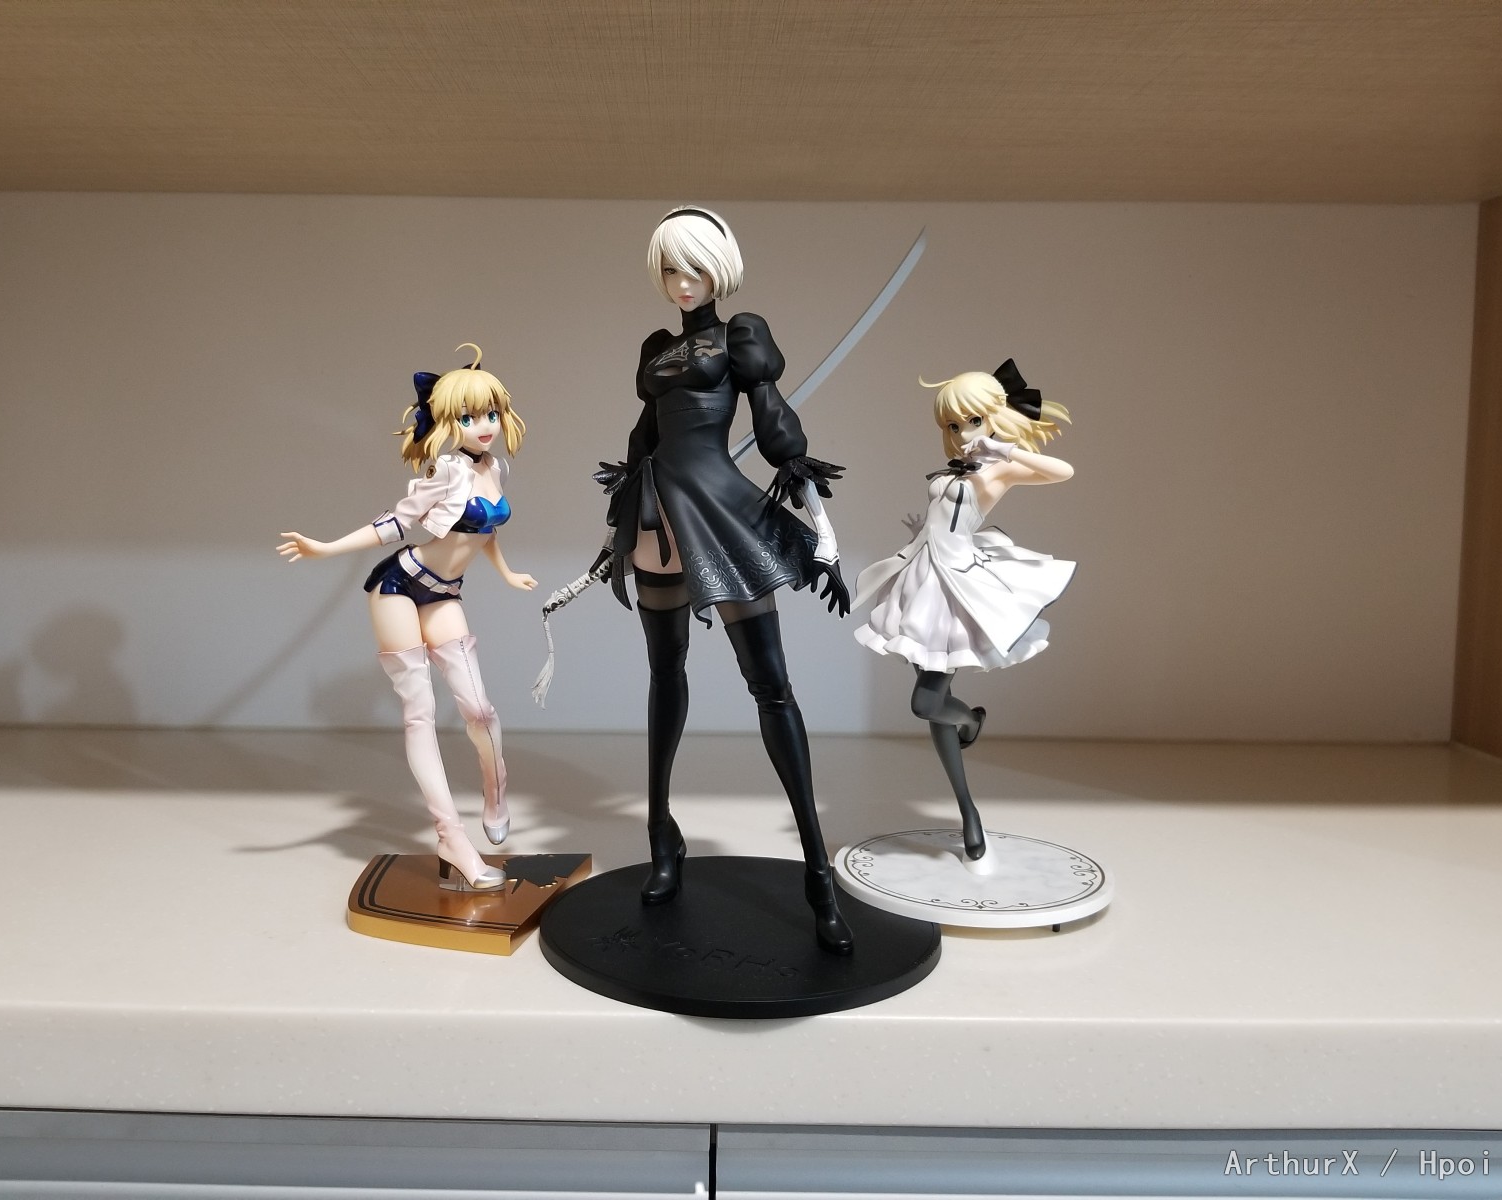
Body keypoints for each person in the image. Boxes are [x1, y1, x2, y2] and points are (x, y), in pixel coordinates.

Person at [596, 206, 855, 953]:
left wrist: (820, 523)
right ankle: (662, 838)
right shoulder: (656, 348)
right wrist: (615, 530)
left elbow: (774, 428)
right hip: (657, 518)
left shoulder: (741, 335)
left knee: (770, 685)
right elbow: (643, 439)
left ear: (718, 270)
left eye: (694, 269)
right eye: (670, 270)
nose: (682, 283)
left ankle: (818, 874)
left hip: (717, 509)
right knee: (663, 676)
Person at [278, 345, 535, 891]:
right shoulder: (446, 470)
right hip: (398, 584)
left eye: (490, 414)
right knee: (421, 713)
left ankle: (495, 788)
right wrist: (327, 548)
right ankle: (451, 837)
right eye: (468, 417)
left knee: (479, 709)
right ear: (448, 423)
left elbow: (484, 532)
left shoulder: (496, 467)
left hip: (444, 592)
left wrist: (507, 573)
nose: (484, 426)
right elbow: (398, 523)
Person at [853, 362, 1075, 861]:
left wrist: (1003, 449)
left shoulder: (998, 469)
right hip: (921, 581)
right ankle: (968, 811)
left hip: (957, 587)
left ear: (994, 417)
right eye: (952, 426)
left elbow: (1063, 471)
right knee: (934, 704)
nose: (961, 434)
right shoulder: (956, 470)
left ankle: (970, 722)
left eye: (971, 422)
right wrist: (921, 535)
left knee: (926, 703)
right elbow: (945, 520)